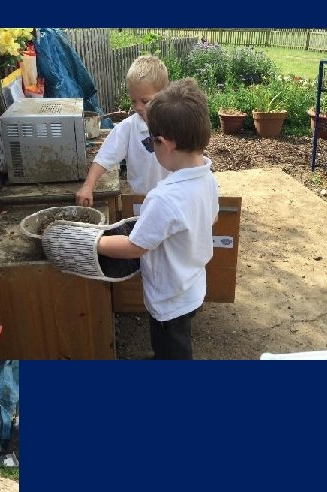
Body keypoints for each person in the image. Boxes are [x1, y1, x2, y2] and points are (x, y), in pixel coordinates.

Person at [95, 78, 219, 359]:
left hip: (169, 296)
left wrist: (95, 243)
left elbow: (134, 247)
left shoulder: (163, 197)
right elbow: (210, 220)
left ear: (163, 143)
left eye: (151, 142)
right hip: (192, 282)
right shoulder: (207, 177)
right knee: (176, 339)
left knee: (172, 348)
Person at [75, 55, 170, 207]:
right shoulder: (128, 128)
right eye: (133, 101)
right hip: (142, 208)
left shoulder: (176, 124)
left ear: (164, 94)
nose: (138, 107)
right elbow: (104, 157)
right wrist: (88, 186)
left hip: (173, 207)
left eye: (145, 101)